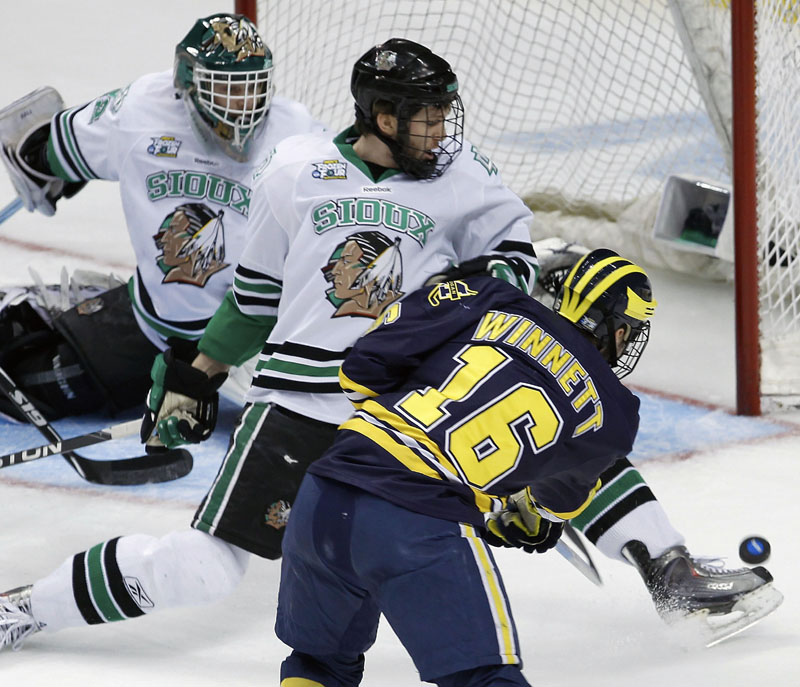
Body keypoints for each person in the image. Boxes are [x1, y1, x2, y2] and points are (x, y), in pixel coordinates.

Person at [0, 38, 539, 651]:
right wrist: (197, 377)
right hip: (299, 412)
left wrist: (464, 292)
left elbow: (516, 264)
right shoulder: (296, 169)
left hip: (407, 418)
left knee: (436, 565)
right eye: (428, 117)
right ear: (384, 119)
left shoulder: (465, 173)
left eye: (446, 115)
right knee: (208, 567)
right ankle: (28, 608)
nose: (443, 130)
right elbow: (254, 299)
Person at [273, 250, 780, 686]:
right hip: (416, 519)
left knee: (320, 663)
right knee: (484, 678)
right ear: (619, 330)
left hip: (323, 492)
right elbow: (549, 509)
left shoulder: (491, 297)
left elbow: (360, 369)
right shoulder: (615, 410)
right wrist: (525, 516)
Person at [0, 12, 326, 421]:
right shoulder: (142, 109)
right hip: (154, 325)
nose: (242, 107)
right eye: (225, 89)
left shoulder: (297, 133)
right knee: (35, 381)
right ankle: (43, 310)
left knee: (292, 425)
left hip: (251, 338)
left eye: (252, 89)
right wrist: (45, 164)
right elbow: (46, 146)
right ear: (187, 83)